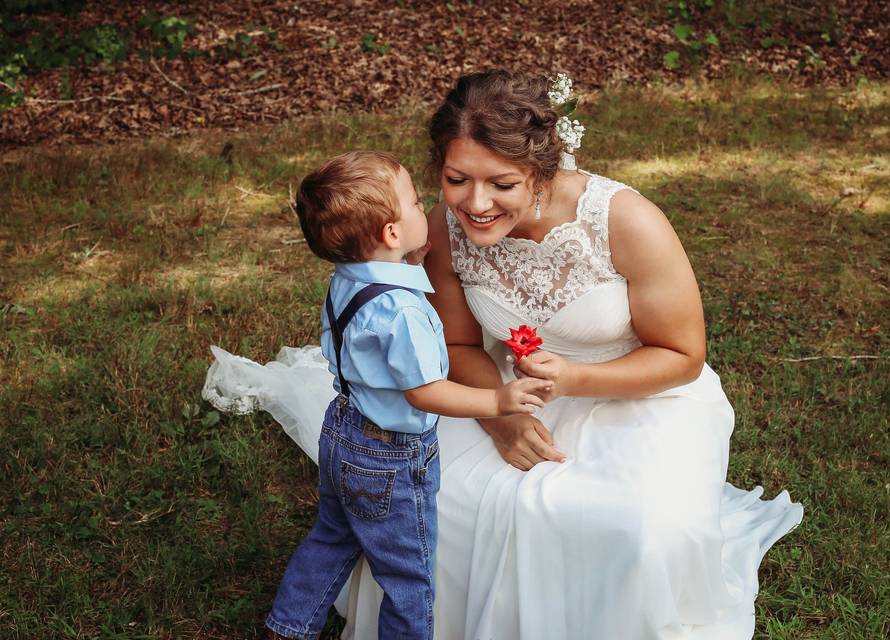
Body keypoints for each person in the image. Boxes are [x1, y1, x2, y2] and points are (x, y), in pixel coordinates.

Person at [204, 72, 803, 640]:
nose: (476, 204)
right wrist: (498, 414)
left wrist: (572, 378)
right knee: (444, 508)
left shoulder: (626, 221)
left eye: (502, 184)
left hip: (644, 395)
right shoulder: (440, 229)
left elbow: (682, 355)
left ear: (541, 172)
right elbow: (460, 345)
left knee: (632, 525)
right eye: (456, 179)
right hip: (499, 387)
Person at [256, 150, 552, 640]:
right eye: (416, 204)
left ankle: (287, 627)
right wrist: (497, 402)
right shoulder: (403, 312)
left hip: (343, 429)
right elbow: (425, 392)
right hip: (389, 457)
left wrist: (411, 259)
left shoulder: (350, 278)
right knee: (408, 575)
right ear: (392, 234)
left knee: (332, 535)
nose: (426, 208)